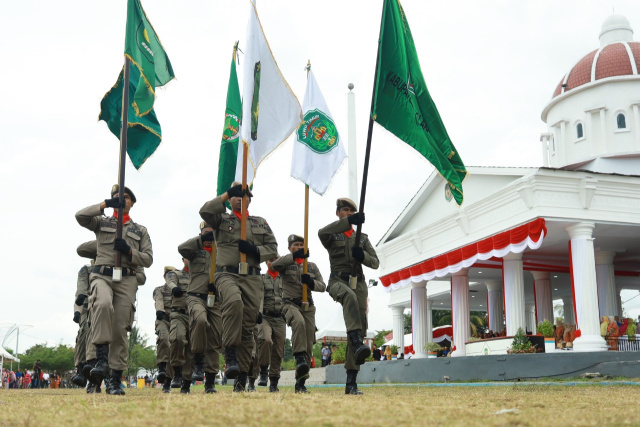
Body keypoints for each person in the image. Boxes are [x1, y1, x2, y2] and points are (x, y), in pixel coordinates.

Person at [199, 183, 278, 392]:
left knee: (248, 328)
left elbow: (273, 248)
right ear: (231, 199)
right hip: (227, 273)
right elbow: (205, 211)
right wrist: (226, 194)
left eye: (244, 196)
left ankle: (242, 377)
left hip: (252, 277)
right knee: (234, 302)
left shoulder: (259, 222)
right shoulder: (221, 219)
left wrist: (254, 250)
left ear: (250, 199)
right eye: (236, 196)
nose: (240, 199)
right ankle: (230, 353)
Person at [75, 184, 153, 396]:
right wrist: (105, 204)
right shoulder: (102, 222)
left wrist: (129, 251)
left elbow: (148, 259)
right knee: (101, 304)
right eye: (116, 196)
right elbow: (80, 216)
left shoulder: (140, 231)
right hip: (101, 275)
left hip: (126, 278)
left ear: (132, 203)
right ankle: (100, 360)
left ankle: (115, 380)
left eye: (125, 197)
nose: (121, 199)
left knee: (119, 328)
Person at [318, 198, 378, 395]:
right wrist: (348, 221)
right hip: (338, 281)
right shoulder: (332, 235)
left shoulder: (362, 237)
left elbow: (375, 262)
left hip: (359, 283)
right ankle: (356, 342)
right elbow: (321, 233)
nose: (349, 212)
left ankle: (351, 383)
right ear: (338, 213)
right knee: (349, 297)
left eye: (352, 210)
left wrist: (362, 257)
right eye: (345, 210)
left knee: (359, 329)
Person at [272, 234, 326, 393]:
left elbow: (323, 286)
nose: (299, 247)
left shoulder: (312, 266)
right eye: (295, 245)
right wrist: (294, 257)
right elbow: (273, 266)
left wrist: (310, 282)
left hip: (308, 306)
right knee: (298, 323)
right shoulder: (286, 263)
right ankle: (299, 356)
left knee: (309, 343)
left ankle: (301, 383)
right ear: (289, 248)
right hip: (289, 303)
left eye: (301, 245)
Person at [178, 222, 223, 394]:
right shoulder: (194, 250)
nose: (209, 236)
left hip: (215, 300)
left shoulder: (221, 252)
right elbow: (181, 248)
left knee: (214, 339)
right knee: (200, 320)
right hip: (196, 297)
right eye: (206, 233)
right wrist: (200, 239)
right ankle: (197, 361)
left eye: (212, 233)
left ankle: (210, 382)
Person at [256, 257, 286, 392]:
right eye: (270, 260)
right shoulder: (261, 279)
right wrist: (258, 312)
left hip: (280, 318)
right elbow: (260, 297)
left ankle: (274, 382)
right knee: (266, 340)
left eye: (276, 260)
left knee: (278, 351)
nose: (272, 262)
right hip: (265, 317)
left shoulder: (285, 279)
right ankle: (263, 370)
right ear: (266, 263)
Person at [166, 262, 193, 394]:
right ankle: (177, 371)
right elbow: (170, 281)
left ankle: (186, 383)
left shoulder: (199, 276)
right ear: (183, 259)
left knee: (191, 350)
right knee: (177, 338)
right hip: (179, 314)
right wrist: (174, 288)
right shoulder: (176, 274)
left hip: (194, 315)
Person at [71, 258, 92, 388]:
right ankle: (81, 369)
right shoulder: (87, 271)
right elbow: (79, 295)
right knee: (83, 336)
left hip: (105, 308)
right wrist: (77, 312)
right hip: (86, 308)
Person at [153, 269, 173, 393]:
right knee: (164, 339)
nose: (170, 277)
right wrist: (159, 310)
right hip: (162, 319)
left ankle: (168, 382)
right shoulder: (159, 289)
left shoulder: (179, 290)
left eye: (172, 275)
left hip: (177, 320)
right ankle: (161, 368)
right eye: (168, 275)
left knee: (173, 349)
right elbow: (158, 300)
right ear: (164, 276)